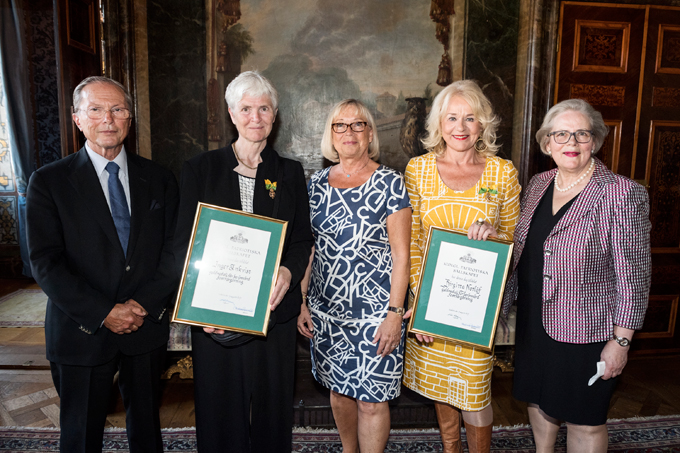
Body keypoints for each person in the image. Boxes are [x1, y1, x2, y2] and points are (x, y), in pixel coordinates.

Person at [26, 76, 178, 453]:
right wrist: (104, 311)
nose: (107, 119)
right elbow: (45, 262)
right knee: (80, 435)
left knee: (147, 432)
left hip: (145, 327)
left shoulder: (160, 179)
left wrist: (142, 304)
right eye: (95, 109)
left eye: (118, 109)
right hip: (81, 329)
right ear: (78, 118)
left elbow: (175, 251)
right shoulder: (49, 182)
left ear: (130, 118)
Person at [174, 71, 313, 453]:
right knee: (220, 417)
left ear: (275, 114)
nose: (256, 117)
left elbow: (302, 238)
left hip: (274, 314)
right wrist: (196, 307)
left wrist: (287, 271)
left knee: (273, 415)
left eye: (264, 108)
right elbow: (184, 244)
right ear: (232, 113)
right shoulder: (200, 169)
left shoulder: (289, 173)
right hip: (215, 317)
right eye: (247, 108)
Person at [502, 98, 651, 452]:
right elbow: (528, 244)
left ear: (595, 141)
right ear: (547, 142)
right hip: (534, 323)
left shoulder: (621, 193)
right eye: (561, 134)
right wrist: (488, 235)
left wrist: (622, 341)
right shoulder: (538, 184)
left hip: (587, 332)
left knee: (585, 418)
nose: (571, 143)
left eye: (581, 134)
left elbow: (635, 277)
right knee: (538, 401)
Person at [402, 80, 521, 453]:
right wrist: (424, 306)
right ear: (439, 123)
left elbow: (515, 243)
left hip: (476, 309)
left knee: (474, 392)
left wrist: (495, 235)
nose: (461, 127)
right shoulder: (417, 170)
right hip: (432, 306)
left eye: (470, 118)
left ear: (483, 124)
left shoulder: (503, 173)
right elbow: (413, 242)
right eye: (452, 117)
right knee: (441, 387)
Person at [297, 99, 411, 453]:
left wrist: (395, 313)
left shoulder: (391, 183)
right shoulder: (314, 184)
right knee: (339, 391)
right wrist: (301, 303)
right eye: (340, 125)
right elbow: (309, 250)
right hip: (326, 312)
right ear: (330, 135)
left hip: (376, 314)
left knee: (373, 401)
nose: (349, 132)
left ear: (370, 133)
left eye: (358, 124)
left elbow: (402, 256)